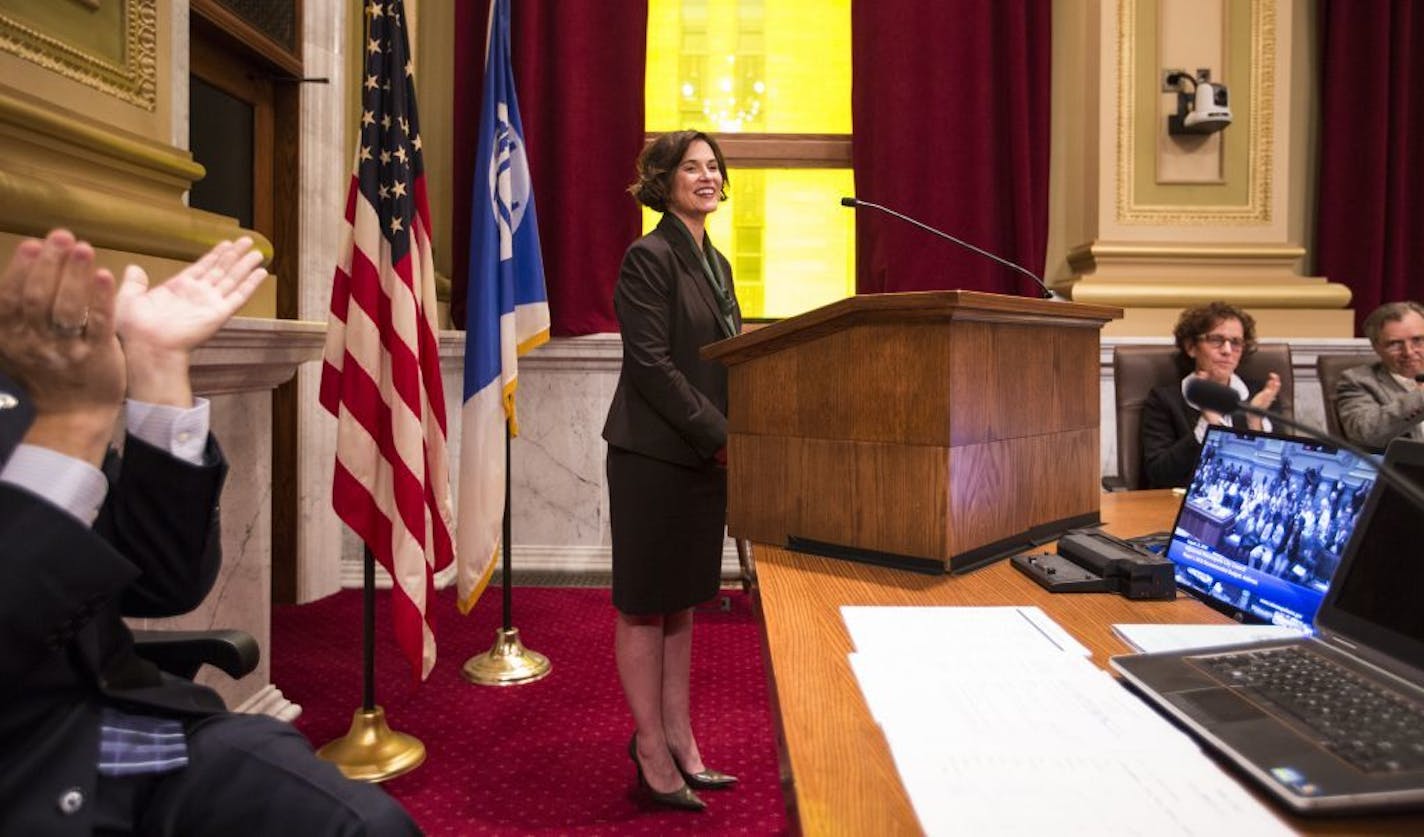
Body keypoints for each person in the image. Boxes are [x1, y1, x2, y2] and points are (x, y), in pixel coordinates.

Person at [0, 230, 420, 836]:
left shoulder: (16, 369)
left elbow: (162, 581)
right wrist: (72, 427)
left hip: (114, 734)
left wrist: (158, 368)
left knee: (359, 823)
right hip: (26, 770)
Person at [601, 131, 742, 812]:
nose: (707, 176)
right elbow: (651, 365)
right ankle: (650, 748)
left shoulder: (715, 262)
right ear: (664, 180)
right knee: (643, 601)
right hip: (653, 455)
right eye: (692, 167)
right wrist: (721, 436)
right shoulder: (647, 257)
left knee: (683, 599)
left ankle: (682, 737)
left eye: (714, 167)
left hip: (703, 456)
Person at [1140, 302, 1282, 488]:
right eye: (1216, 340)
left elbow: (1276, 474)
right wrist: (1207, 425)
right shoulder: (1164, 400)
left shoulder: (1260, 396)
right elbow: (1159, 475)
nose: (1227, 350)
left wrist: (1254, 421)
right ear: (1191, 347)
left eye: (1236, 342)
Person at [1336, 301, 1424, 450]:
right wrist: (1420, 396)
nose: (1408, 352)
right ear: (1376, 347)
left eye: (1418, 340)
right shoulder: (1358, 381)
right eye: (1395, 344)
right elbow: (1366, 434)